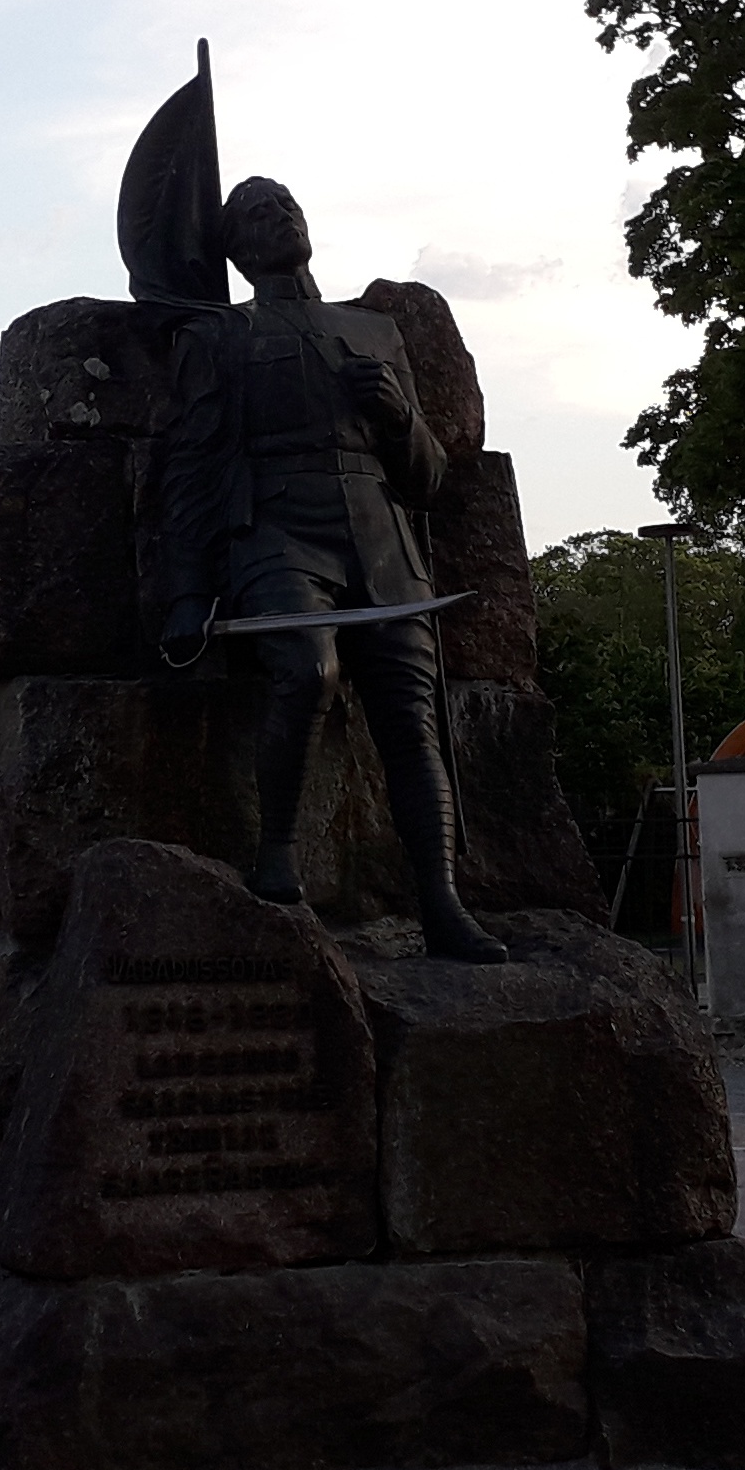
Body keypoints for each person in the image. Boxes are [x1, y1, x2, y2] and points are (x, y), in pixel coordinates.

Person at [154, 176, 507, 964]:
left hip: (380, 540)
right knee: (307, 673)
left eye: (286, 204)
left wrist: (397, 412)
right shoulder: (217, 337)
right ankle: (276, 856)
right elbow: (190, 466)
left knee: (411, 722)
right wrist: (185, 588)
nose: (280, 218)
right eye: (257, 213)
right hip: (276, 529)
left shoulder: (376, 332)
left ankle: (444, 903)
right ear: (237, 251)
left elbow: (427, 480)